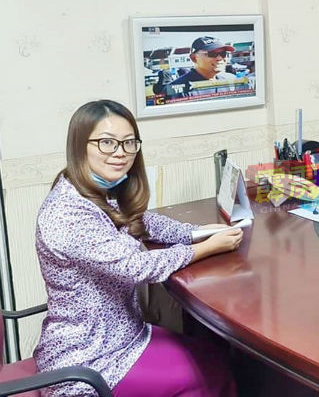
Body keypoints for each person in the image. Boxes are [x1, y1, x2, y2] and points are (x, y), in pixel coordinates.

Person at [33, 100, 243, 396]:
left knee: (213, 351)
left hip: (121, 336)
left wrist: (197, 232)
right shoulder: (68, 212)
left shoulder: (97, 192)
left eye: (129, 142)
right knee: (212, 371)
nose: (120, 152)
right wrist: (206, 248)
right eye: (107, 142)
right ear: (81, 145)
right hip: (89, 360)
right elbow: (137, 267)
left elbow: (142, 221)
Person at [167, 36, 236, 97]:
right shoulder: (176, 89)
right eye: (212, 53)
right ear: (194, 58)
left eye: (223, 53)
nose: (219, 58)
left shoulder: (230, 81)